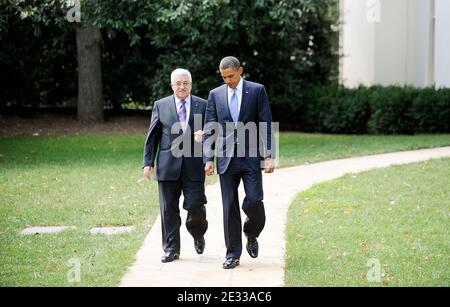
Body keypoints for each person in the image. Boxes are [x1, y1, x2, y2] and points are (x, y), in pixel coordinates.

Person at [203, 56, 275, 269]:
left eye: (231, 76)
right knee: (229, 206)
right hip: (226, 159)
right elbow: (209, 128)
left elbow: (266, 122)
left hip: (251, 156)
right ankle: (233, 253)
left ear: (240, 71)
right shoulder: (215, 95)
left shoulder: (256, 90)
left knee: (254, 200)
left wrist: (270, 154)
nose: (227, 81)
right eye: (224, 77)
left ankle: (251, 233)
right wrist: (208, 158)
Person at [143, 68, 208, 263]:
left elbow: (214, 132)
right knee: (168, 209)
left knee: (196, 205)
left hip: (194, 165)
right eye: (178, 83)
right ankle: (171, 249)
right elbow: (152, 136)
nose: (182, 86)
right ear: (172, 85)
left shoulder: (203, 105)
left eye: (185, 83)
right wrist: (148, 162)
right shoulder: (160, 106)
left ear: (191, 84)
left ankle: (197, 233)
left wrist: (204, 138)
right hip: (167, 166)